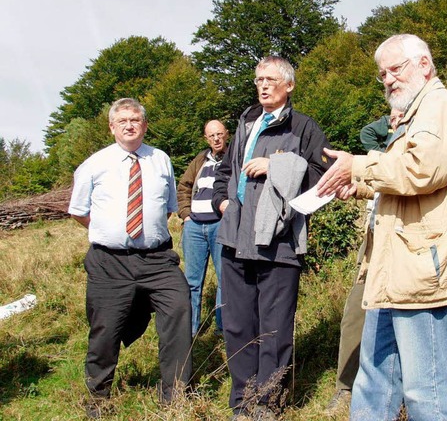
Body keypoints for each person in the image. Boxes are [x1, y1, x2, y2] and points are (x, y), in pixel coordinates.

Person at [316, 34, 447, 421]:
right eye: (382, 73)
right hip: (391, 267)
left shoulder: (440, 105)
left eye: (395, 69)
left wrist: (359, 165)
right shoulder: (415, 113)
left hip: (418, 270)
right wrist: (359, 185)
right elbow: (402, 180)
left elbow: (424, 169)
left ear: (424, 65)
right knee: (374, 379)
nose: (388, 79)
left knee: (425, 390)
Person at [211, 56, 333, 420]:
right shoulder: (246, 122)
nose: (262, 85)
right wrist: (222, 202)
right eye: (258, 79)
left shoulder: (304, 128)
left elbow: (323, 180)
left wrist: (277, 165)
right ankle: (243, 403)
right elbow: (225, 170)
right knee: (236, 325)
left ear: (289, 86)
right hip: (234, 238)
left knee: (274, 328)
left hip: (278, 245)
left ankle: (268, 404)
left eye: (270, 80)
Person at [68, 98, 192, 417]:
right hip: (109, 262)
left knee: (179, 308)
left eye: (135, 119)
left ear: (145, 125)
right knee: (105, 329)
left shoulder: (160, 159)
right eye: (122, 120)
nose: (129, 124)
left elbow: (167, 208)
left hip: (157, 259)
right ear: (111, 127)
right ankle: (97, 399)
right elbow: (80, 212)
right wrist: (110, 233)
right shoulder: (94, 164)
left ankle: (175, 396)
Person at [325, 109, 404, 416]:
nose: (394, 122)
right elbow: (383, 189)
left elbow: (408, 183)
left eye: (401, 117)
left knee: (403, 324)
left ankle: (400, 394)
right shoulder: (385, 148)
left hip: (405, 248)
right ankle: (346, 387)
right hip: (373, 245)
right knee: (355, 313)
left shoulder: (417, 148)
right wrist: (358, 189)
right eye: (392, 118)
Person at [177, 119, 229, 337]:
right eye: (211, 136)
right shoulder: (200, 160)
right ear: (206, 138)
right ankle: (189, 331)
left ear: (226, 134)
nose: (216, 138)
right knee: (192, 281)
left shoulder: (234, 157)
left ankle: (222, 327)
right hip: (194, 227)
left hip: (220, 225)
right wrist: (186, 215)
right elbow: (184, 187)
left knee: (224, 278)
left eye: (219, 134)